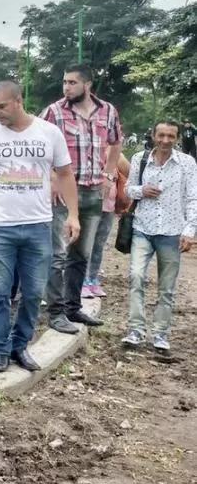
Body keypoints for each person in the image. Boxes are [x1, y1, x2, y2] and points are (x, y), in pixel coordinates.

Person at [0, 82, 80, 372]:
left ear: (18, 101)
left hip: (38, 225)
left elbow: (65, 174)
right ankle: (0, 348)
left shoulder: (49, 133)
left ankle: (20, 345)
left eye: (1, 106)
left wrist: (73, 214)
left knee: (32, 292)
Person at [40, 63, 123, 334]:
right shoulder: (54, 112)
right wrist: (52, 176)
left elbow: (116, 142)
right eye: (64, 82)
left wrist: (109, 176)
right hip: (65, 193)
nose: (66, 87)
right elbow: (40, 145)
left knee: (81, 255)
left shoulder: (107, 111)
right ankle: (55, 312)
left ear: (88, 85)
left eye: (72, 82)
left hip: (93, 192)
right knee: (58, 254)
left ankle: (73, 308)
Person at [122, 120, 197, 351]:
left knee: (167, 286)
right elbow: (128, 188)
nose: (165, 140)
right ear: (153, 135)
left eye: (171, 136)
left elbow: (193, 197)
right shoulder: (139, 159)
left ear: (177, 138)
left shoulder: (186, 163)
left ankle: (161, 334)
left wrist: (189, 230)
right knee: (135, 277)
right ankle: (136, 329)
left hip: (172, 233)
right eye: (161, 135)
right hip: (143, 228)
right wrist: (141, 191)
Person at [82, 146, 131, 298]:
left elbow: (130, 173)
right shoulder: (86, 150)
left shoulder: (115, 154)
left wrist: (117, 156)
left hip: (108, 207)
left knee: (99, 245)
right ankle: (81, 281)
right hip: (88, 206)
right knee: (85, 245)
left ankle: (93, 279)